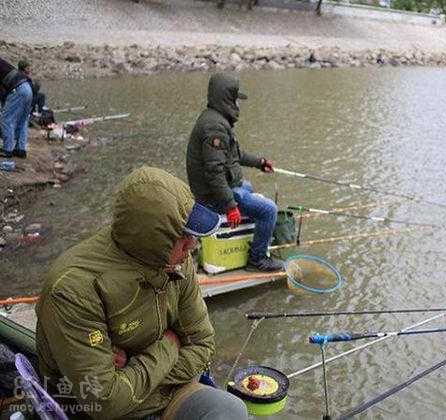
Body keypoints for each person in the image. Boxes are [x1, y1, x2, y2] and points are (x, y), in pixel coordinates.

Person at [36, 166, 248, 419]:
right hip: (94, 411)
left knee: (231, 410)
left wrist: (132, 369)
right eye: (184, 236)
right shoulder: (73, 289)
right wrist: (169, 344)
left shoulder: (178, 260)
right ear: (155, 239)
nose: (192, 246)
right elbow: (106, 402)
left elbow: (202, 344)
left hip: (160, 392)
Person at [186, 73, 283, 272]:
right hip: (212, 197)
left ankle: (255, 239)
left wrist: (260, 163)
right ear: (227, 99)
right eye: (236, 99)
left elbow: (235, 155)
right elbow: (214, 172)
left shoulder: (216, 119)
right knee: (269, 210)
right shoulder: (215, 127)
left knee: (247, 186)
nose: (238, 104)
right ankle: (257, 259)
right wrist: (230, 206)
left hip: (220, 189)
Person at [1, 57, 32, 158]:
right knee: (23, 120)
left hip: (17, 89)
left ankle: (7, 150)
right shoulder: (3, 63)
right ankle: (20, 149)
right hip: (27, 87)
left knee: (6, 119)